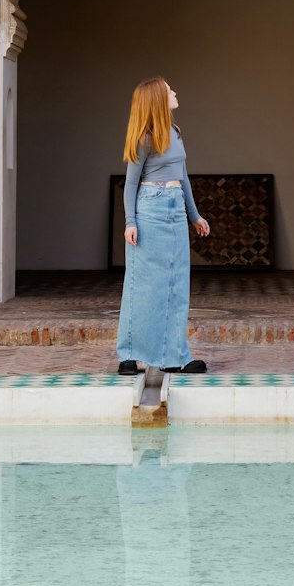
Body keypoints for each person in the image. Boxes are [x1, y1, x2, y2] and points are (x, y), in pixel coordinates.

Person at [116, 77, 210, 376]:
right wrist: (130, 222)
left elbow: (183, 178)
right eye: (170, 90)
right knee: (143, 283)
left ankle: (174, 356)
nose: (175, 92)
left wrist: (195, 216)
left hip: (174, 208)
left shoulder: (176, 132)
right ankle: (129, 355)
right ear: (157, 99)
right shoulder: (144, 138)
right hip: (150, 209)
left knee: (176, 283)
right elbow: (130, 184)